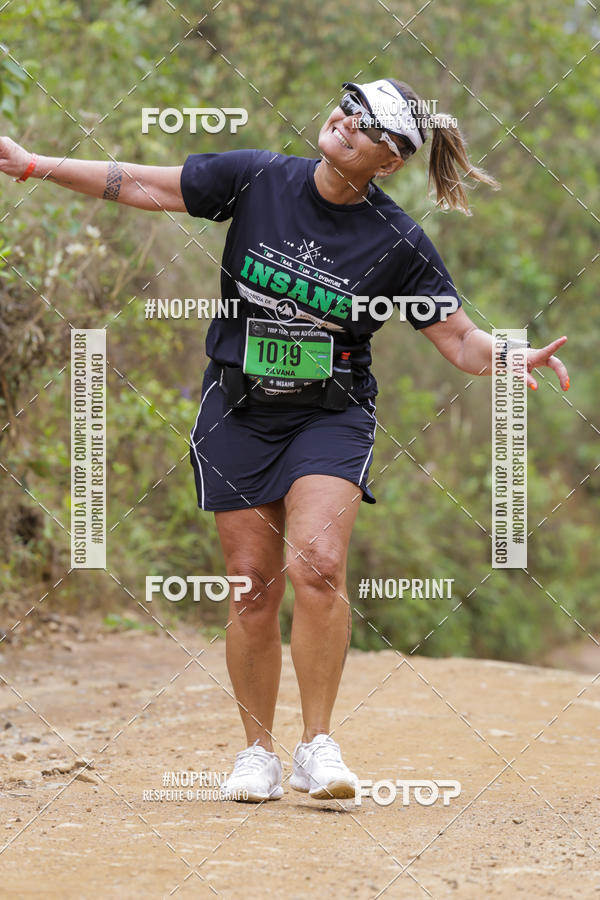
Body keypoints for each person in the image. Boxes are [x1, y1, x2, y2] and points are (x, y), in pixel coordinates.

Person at [0, 77, 570, 803]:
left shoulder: (397, 241)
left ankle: (317, 746)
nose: (348, 122)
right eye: (349, 107)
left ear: (388, 161)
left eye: (369, 125)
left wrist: (509, 356)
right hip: (238, 409)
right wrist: (33, 165)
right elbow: (141, 185)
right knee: (251, 589)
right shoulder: (258, 178)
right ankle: (256, 754)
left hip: (329, 415)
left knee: (320, 566)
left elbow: (457, 339)